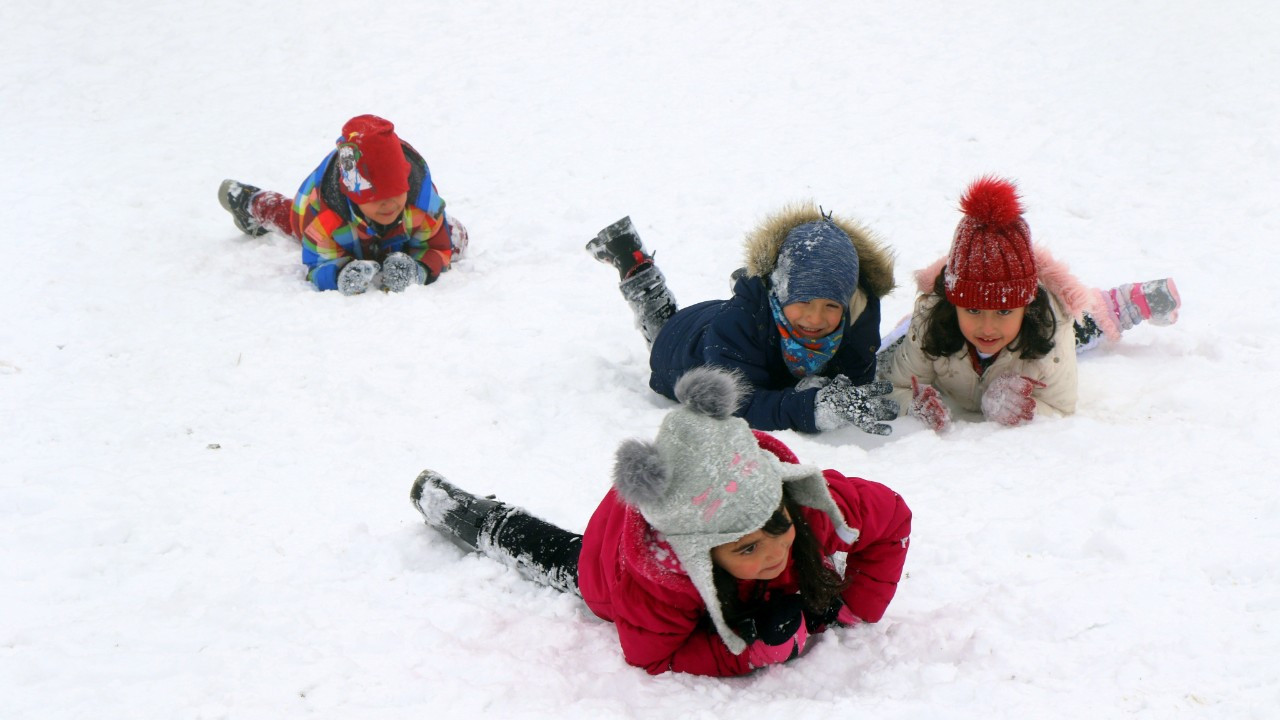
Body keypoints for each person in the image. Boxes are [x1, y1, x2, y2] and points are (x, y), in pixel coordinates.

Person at [410, 366, 912, 677]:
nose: (773, 553)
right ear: (701, 554)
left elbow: (892, 521)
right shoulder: (660, 580)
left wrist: (850, 607)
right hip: (611, 561)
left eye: (775, 528)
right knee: (560, 556)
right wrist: (749, 652)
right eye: (744, 549)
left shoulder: (804, 503)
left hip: (688, 493)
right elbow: (653, 656)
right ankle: (466, 514)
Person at [878, 175, 1182, 431]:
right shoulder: (931, 322)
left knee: (1082, 324)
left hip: (1038, 334)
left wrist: (1024, 408)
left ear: (1027, 305)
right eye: (972, 309)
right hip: (940, 328)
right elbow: (896, 386)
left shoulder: (1051, 326)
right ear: (953, 303)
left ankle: (1121, 305)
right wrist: (914, 407)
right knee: (899, 341)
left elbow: (1061, 408)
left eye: (1004, 311)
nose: (987, 327)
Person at [586, 205, 899, 435]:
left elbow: (857, 378)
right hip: (685, 345)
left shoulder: (858, 318)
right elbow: (738, 404)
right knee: (662, 325)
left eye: (831, 305)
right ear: (781, 293)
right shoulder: (738, 324)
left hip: (742, 323)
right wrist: (811, 408)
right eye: (802, 301)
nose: (816, 318)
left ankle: (752, 289)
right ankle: (636, 267)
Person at [217, 114, 468, 295]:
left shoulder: (421, 206)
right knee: (292, 221)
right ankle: (250, 202)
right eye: (375, 198)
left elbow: (438, 247)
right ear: (354, 196)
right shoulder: (325, 220)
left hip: (399, 234)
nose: (389, 204)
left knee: (455, 236)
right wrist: (339, 275)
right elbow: (316, 266)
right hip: (325, 217)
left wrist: (420, 270)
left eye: (396, 192)